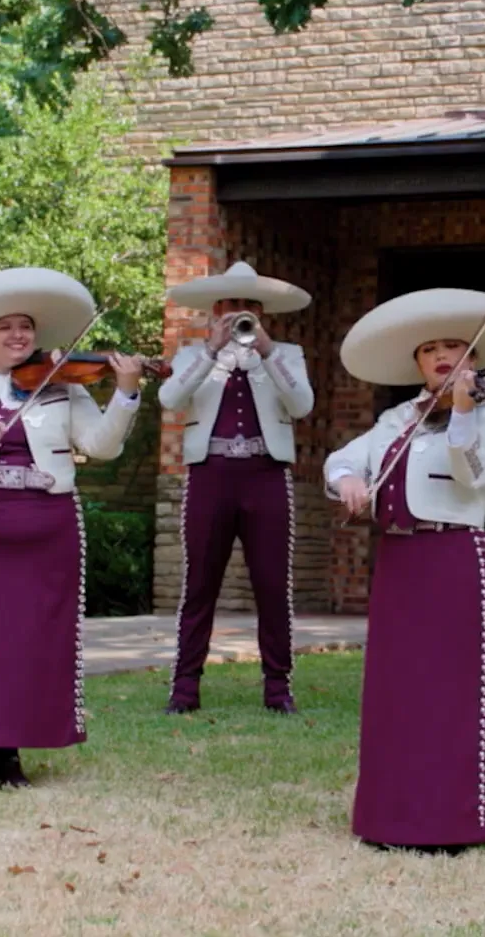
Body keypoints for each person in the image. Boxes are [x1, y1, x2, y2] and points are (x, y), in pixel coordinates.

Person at [0, 268, 147, 788]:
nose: (19, 336)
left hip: (43, 529)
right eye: (6, 328)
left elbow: (102, 447)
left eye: (26, 327)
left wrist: (125, 393)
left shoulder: (62, 386)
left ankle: (6, 755)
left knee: (23, 643)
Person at [324, 288, 485, 853]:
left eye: (456, 347)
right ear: (416, 362)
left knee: (450, 692)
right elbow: (344, 458)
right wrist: (347, 479)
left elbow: (476, 475)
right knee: (396, 692)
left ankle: (453, 821)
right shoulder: (400, 416)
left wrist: (464, 411)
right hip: (398, 561)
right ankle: (390, 816)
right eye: (430, 349)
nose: (443, 357)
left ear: (476, 359)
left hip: (453, 559)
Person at [156, 261, 315, 714]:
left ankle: (278, 687)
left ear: (261, 313)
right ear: (214, 312)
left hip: (266, 473)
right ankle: (185, 687)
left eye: (247, 308)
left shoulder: (286, 352)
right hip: (211, 473)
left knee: (272, 583)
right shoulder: (192, 354)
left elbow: (302, 404)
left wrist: (266, 350)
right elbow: (169, 400)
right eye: (228, 307)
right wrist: (210, 351)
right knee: (200, 583)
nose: (237, 314)